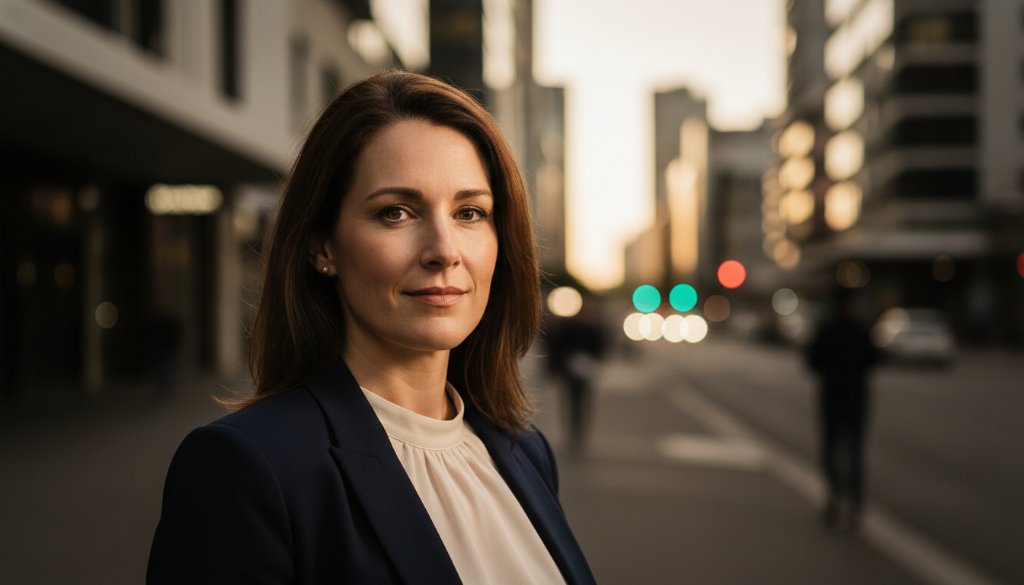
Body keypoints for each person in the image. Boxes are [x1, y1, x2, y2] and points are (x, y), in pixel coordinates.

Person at [147, 71, 595, 584]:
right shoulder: (246, 468)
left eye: (470, 212)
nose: (444, 251)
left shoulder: (526, 451)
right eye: (396, 212)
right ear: (323, 246)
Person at [805, 287, 881, 531]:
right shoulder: (860, 330)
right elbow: (875, 359)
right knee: (854, 451)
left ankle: (835, 496)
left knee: (831, 448)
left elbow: (812, 361)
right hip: (856, 395)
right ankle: (855, 504)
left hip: (832, 395)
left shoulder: (827, 329)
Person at [543, 300, 608, 453]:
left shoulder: (584, 328)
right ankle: (574, 430)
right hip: (572, 370)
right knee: (573, 401)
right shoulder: (571, 328)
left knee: (579, 401)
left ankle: (578, 430)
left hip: (582, 369)